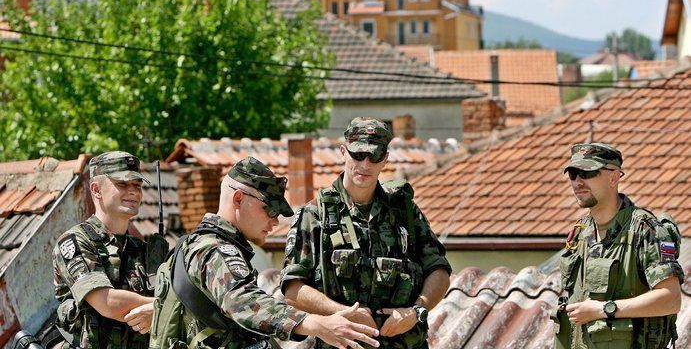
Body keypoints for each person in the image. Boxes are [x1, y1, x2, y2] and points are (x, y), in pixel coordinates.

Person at [149, 156, 380, 349]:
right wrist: (314, 323)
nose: (274, 220)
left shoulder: (204, 244)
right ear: (238, 198)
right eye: (269, 209)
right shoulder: (214, 250)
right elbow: (243, 302)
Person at [281, 117, 451, 349]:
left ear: (386, 158)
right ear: (343, 152)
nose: (365, 164)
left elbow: (439, 271)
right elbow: (293, 290)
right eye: (358, 155)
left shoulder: (404, 210)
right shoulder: (315, 214)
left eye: (375, 156)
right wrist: (344, 313)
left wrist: (416, 310)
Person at [555, 143, 684, 348]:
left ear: (614, 177)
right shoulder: (580, 231)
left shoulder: (645, 229)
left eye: (587, 173)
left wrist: (604, 310)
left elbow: (671, 299)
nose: (578, 181)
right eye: (573, 174)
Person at [52, 151, 156, 348]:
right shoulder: (77, 241)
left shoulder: (144, 250)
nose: (133, 191)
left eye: (138, 185)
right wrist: (159, 308)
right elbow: (107, 303)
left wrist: (158, 310)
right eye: (122, 184)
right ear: (96, 190)